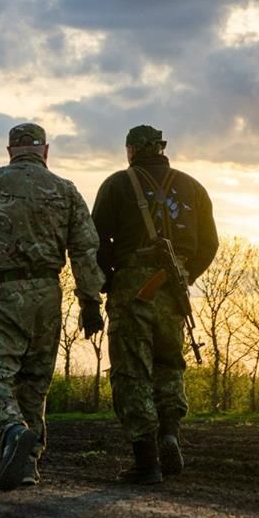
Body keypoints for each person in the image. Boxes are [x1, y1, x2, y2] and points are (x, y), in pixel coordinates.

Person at [0, 122, 104, 491]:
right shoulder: (65, 190)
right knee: (34, 383)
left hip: (4, 291)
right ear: (45, 151)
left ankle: (11, 433)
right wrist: (91, 301)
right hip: (48, 295)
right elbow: (84, 249)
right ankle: (28, 465)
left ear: (10, 150)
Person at [91, 125, 218, 484]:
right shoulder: (193, 187)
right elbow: (210, 244)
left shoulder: (117, 184)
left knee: (131, 370)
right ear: (161, 148)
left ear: (131, 150)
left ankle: (146, 460)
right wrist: (185, 275)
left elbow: (94, 238)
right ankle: (170, 434)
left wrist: (110, 277)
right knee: (169, 364)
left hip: (133, 286)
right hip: (174, 289)